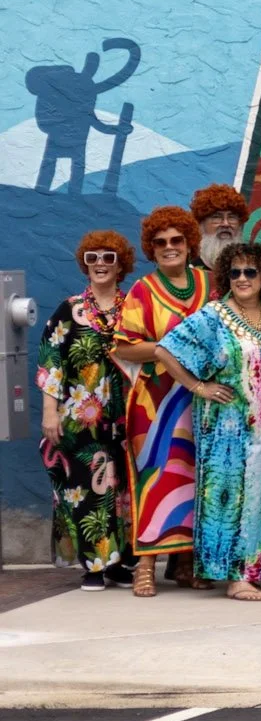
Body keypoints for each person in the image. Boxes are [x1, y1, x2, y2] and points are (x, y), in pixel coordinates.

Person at [155, 243, 261, 601]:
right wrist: (197, 386)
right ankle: (236, 576)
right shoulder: (214, 316)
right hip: (227, 430)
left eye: (250, 272)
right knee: (235, 500)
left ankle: (259, 568)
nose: (242, 278)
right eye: (235, 272)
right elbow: (165, 349)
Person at [110, 205, 211, 596]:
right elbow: (124, 347)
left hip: (202, 401)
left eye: (177, 240)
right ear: (151, 249)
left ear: (189, 243)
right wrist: (168, 350)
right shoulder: (143, 291)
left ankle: (186, 565)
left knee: (197, 480)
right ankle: (146, 566)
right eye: (161, 242)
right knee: (157, 478)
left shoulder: (210, 283)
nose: (170, 247)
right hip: (156, 405)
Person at [38, 231, 134, 589]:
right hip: (81, 419)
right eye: (92, 258)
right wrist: (50, 411)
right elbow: (51, 361)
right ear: (84, 263)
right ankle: (93, 566)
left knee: (122, 489)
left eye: (108, 257)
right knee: (86, 487)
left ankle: (120, 564)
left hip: (125, 416)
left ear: (120, 264)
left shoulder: (133, 306)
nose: (99, 264)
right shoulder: (70, 308)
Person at [190, 184, 248, 270]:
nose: (226, 224)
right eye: (217, 217)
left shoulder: (253, 263)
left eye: (232, 217)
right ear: (201, 224)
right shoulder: (186, 265)